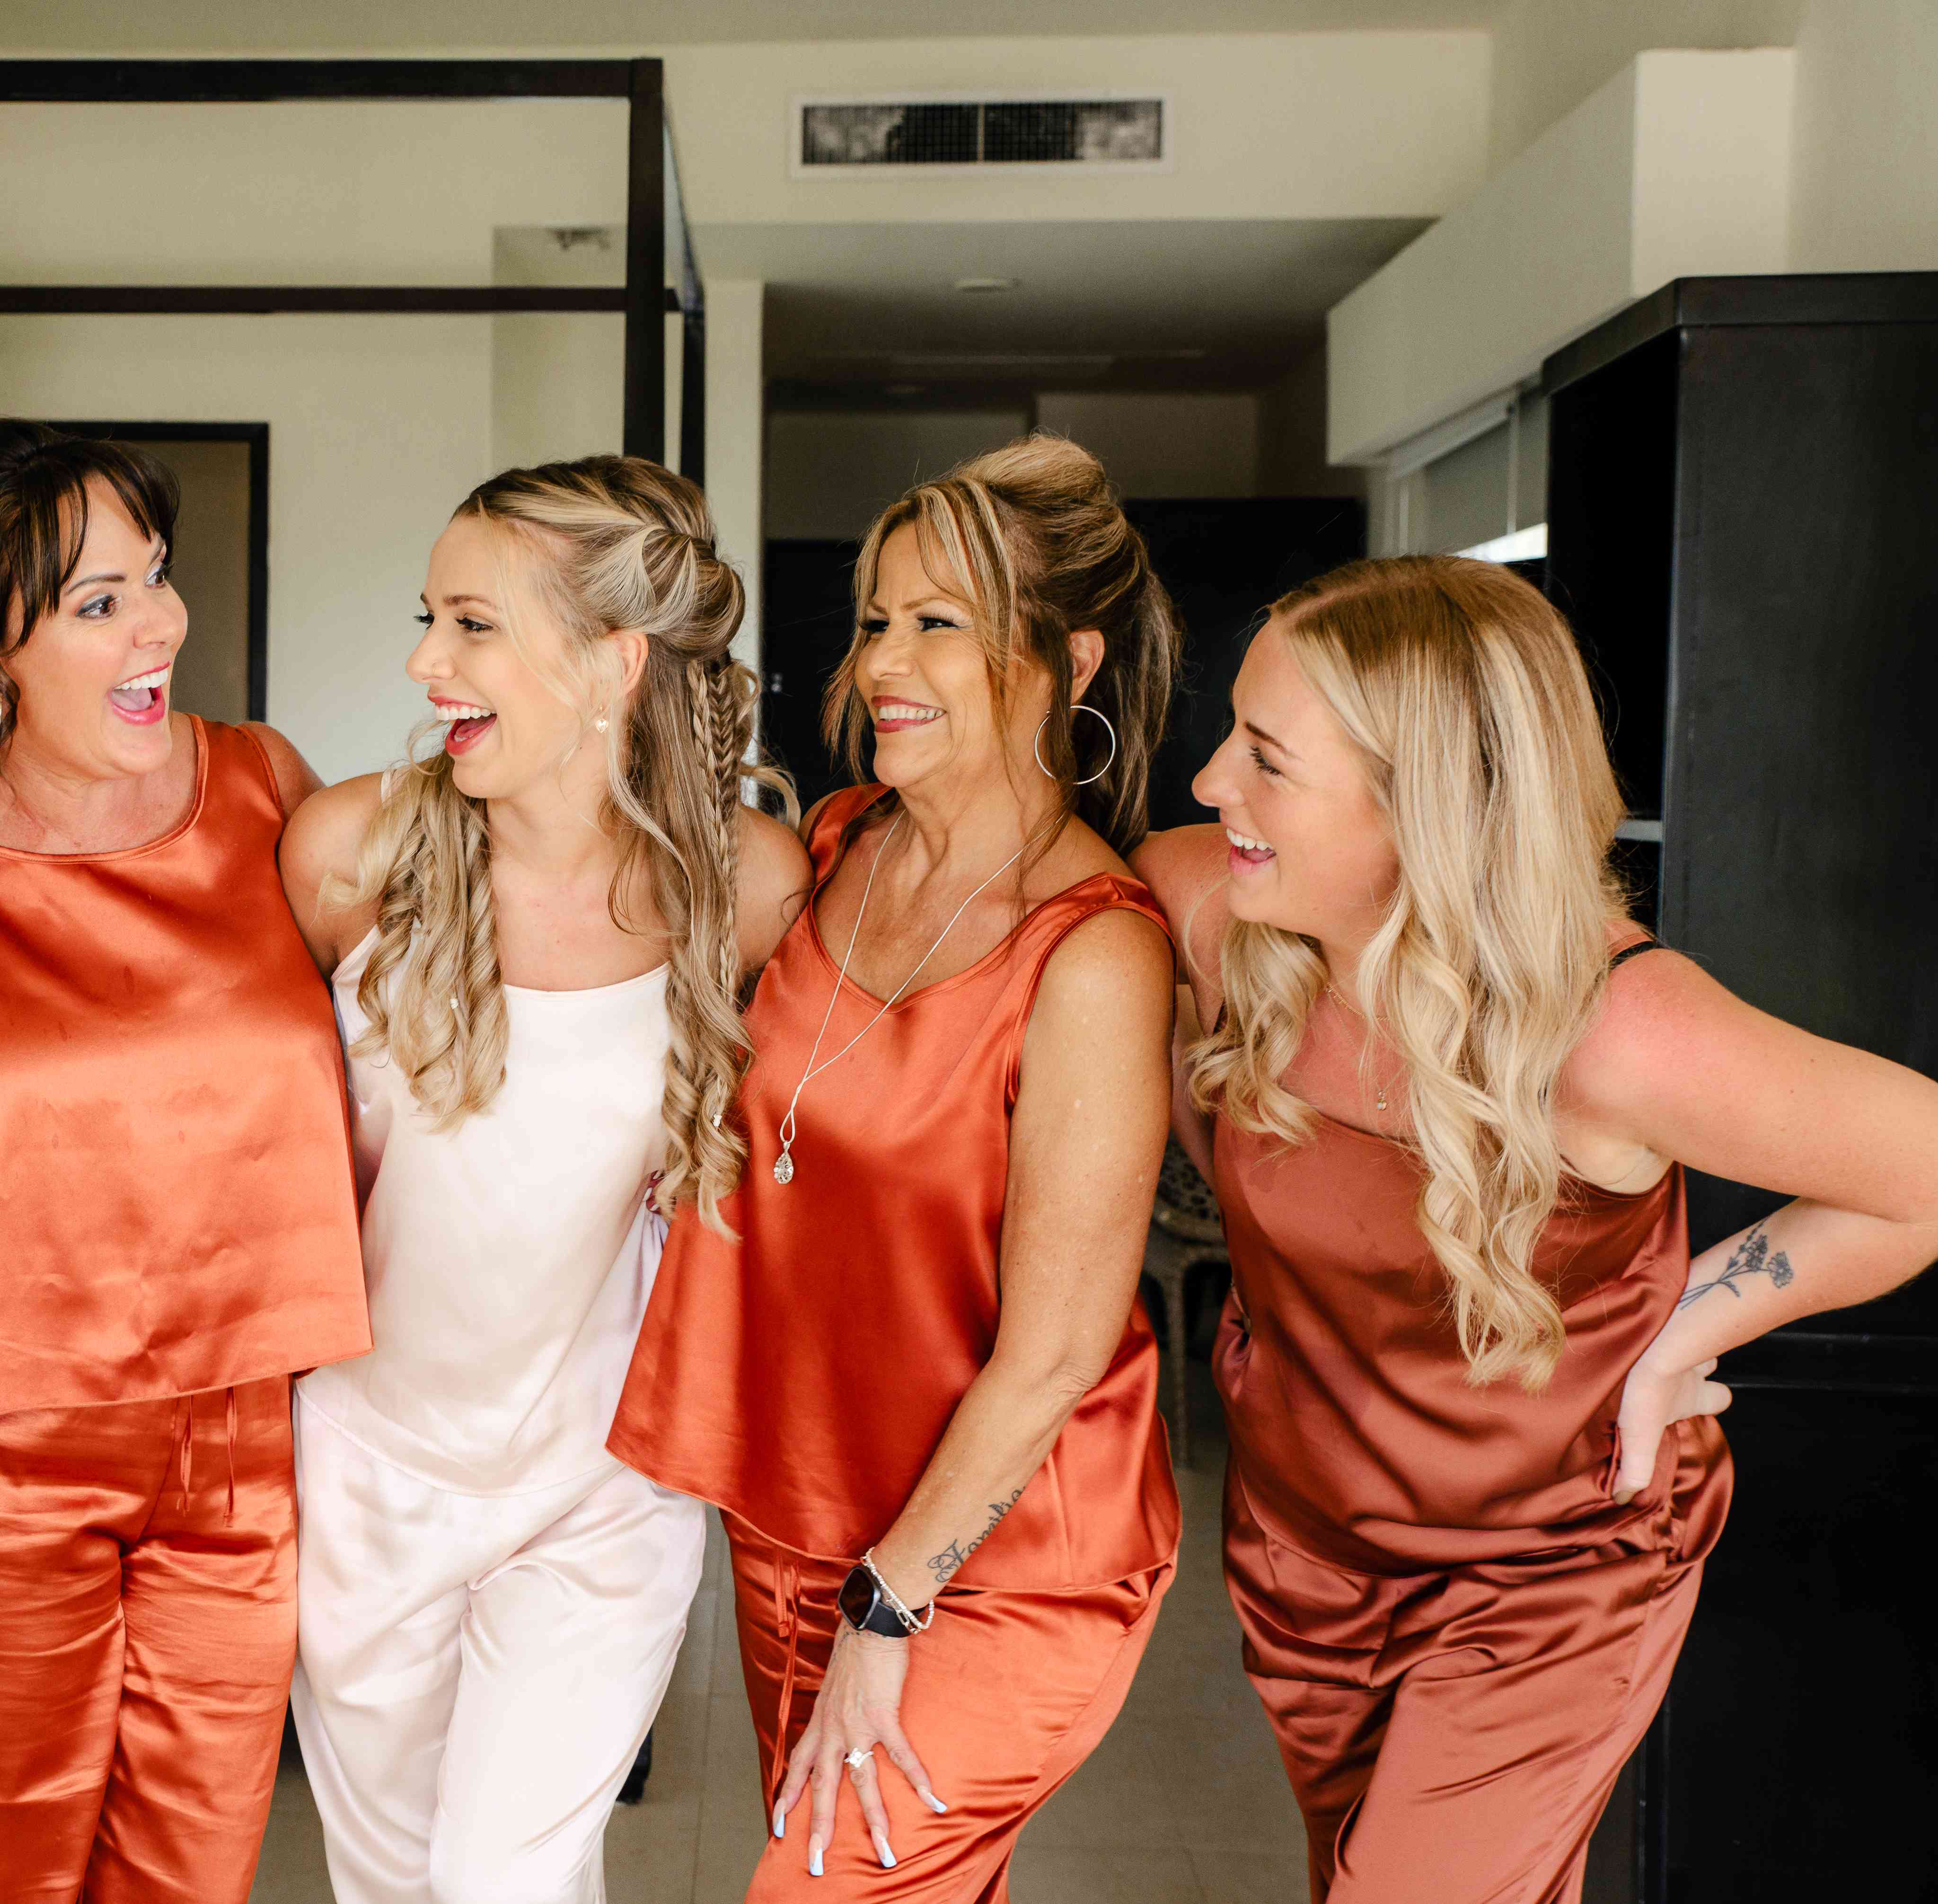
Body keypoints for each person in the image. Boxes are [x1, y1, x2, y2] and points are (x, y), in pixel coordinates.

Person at [1134, 554, 1938, 1904]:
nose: (1213, 783)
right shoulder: (1222, 916)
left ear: (1424, 806)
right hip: (1308, 1561)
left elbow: (1921, 1163)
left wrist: (1695, 1327)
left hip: (1545, 1582)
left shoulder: (1616, 1029)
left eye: (1266, 759)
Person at [609, 435, 1185, 1900]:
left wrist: (890, 1607)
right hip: (796, 1510)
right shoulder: (841, 841)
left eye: (942, 621)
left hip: (992, 1558)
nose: (884, 660)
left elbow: (1057, 1352)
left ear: (1069, 661)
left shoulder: (1096, 950)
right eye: (876, 617)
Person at [0, 419, 369, 1903]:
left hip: (235, 1448)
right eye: (96, 603)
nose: (159, 627)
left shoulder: (268, 792)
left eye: (156, 578)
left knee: (191, 1878)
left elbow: (423, 1020)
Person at [276, 457, 810, 1904]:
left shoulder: (752, 887)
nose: (422, 661)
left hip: (605, 1478)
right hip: (368, 1467)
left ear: (611, 662)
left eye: (470, 624)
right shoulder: (353, 858)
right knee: (392, 1882)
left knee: (503, 1875)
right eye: (426, 620)